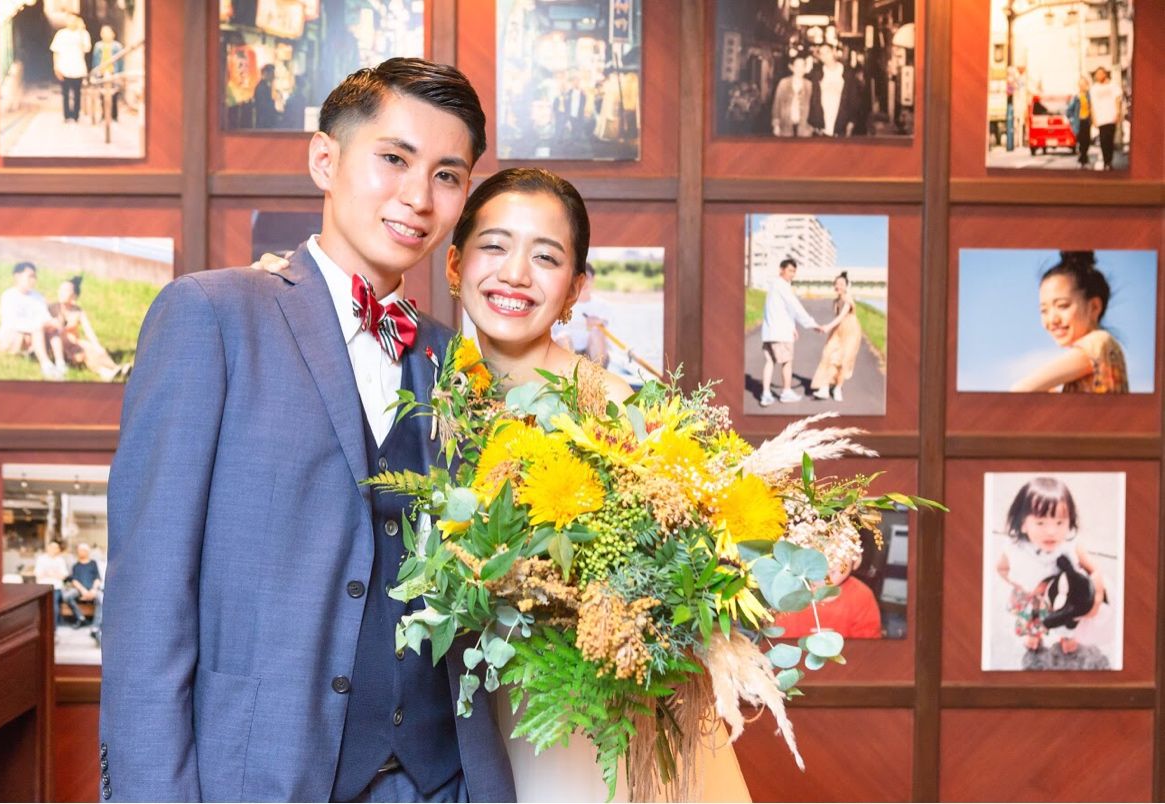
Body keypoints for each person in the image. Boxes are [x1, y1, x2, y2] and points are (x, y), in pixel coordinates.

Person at [257, 167, 750, 802]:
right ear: (455, 264)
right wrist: (289, 292)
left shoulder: (611, 408)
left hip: (574, 714)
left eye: (546, 258)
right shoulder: (423, 375)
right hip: (445, 718)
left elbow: (675, 569)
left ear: (573, 290)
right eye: (494, 246)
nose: (515, 274)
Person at [101, 58, 515, 802]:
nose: (418, 197)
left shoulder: (453, 358)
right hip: (264, 771)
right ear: (325, 159)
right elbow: (149, 595)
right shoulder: (213, 316)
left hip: (441, 778)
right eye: (394, 159)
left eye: (447, 176)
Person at [994, 477, 1106, 657]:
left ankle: (1066, 637)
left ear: (1070, 521)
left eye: (1060, 523)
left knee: (1067, 623)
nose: (1051, 531)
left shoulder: (1070, 547)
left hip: (1063, 600)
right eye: (1040, 523)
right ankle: (1034, 635)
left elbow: (1095, 570)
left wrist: (1096, 600)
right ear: (1023, 524)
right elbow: (1001, 568)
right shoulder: (1015, 549)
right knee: (1032, 621)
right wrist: (1020, 586)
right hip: (1031, 598)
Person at [1011, 251, 1128, 393]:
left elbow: (1021, 389)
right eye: (1044, 310)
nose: (1052, 320)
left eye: (1062, 306)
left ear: (1094, 307)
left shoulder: (1099, 341)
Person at [759, 258, 825, 406]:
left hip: (769, 332)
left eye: (794, 271)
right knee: (787, 362)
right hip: (780, 334)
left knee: (769, 362)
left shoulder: (773, 286)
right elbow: (795, 307)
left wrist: (792, 327)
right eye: (790, 270)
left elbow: (780, 310)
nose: (792, 274)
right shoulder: (782, 286)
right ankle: (786, 392)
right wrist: (812, 324)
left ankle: (766, 394)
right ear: (781, 269)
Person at [771, 555, 882, 639]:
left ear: (856, 559)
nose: (828, 562)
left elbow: (868, 650)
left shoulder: (861, 597)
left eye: (839, 553)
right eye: (816, 552)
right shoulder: (783, 594)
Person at [48, 276, 131, 381]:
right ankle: (104, 371)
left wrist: (97, 345)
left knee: (91, 347)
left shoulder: (77, 311)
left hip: (75, 344)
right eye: (60, 289)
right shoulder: (52, 308)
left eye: (66, 290)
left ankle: (115, 368)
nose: (61, 292)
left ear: (74, 295)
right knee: (85, 352)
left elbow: (89, 331)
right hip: (61, 348)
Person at [0, 261, 65, 380]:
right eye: (30, 276)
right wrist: (38, 326)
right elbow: (11, 322)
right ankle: (46, 365)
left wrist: (52, 322)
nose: (33, 280)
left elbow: (44, 316)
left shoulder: (37, 296)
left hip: (36, 334)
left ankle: (60, 363)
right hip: (14, 335)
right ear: (17, 276)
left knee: (52, 329)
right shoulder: (9, 296)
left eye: (35, 277)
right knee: (37, 327)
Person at [810, 271, 863, 403]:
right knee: (828, 355)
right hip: (838, 331)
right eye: (837, 283)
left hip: (851, 333)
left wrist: (827, 327)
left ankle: (838, 388)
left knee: (844, 360)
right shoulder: (836, 301)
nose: (838, 286)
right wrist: (828, 328)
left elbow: (842, 316)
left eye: (841, 284)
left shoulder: (848, 299)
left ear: (846, 286)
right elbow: (838, 319)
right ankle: (824, 387)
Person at [551, 263, 611, 368]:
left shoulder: (603, 305)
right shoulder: (561, 303)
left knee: (597, 333)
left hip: (592, 354)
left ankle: (597, 373)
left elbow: (610, 333)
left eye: (587, 277)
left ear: (593, 279)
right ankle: (568, 374)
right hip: (567, 353)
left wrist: (601, 323)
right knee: (563, 337)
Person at [808, 43, 864, 137]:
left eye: (827, 52)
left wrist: (851, 122)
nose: (825, 56)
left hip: (841, 124)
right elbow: (814, 100)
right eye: (822, 54)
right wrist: (815, 123)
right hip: (822, 126)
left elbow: (854, 100)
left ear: (833, 52)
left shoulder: (847, 73)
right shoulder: (817, 74)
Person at [50, 13, 91, 124]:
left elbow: (86, 48)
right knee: (66, 94)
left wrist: (81, 31)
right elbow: (56, 51)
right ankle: (67, 115)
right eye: (69, 19)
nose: (71, 22)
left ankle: (76, 115)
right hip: (64, 68)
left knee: (77, 93)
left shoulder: (84, 34)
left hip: (78, 68)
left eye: (74, 19)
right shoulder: (61, 34)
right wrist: (56, 67)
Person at [60, 542, 103, 630]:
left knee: (102, 599)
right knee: (67, 597)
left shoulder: (93, 563)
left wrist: (93, 590)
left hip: (93, 589)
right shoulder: (76, 566)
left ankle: (95, 627)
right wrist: (83, 591)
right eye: (79, 550)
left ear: (87, 552)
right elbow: (74, 581)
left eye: (82, 550)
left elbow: (97, 578)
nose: (79, 552)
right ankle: (80, 617)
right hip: (79, 590)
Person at [771, 52, 813, 137]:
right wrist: (776, 125)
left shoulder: (809, 85)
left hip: (804, 127)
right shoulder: (783, 83)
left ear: (805, 68)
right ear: (792, 67)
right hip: (785, 126)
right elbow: (777, 104)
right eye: (797, 66)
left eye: (802, 66)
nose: (799, 69)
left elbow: (813, 106)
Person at [1089, 66, 1121, 171]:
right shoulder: (1094, 88)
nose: (1098, 76)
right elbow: (1092, 104)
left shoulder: (1113, 85)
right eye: (1096, 74)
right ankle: (1106, 161)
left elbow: (1118, 99)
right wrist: (1093, 118)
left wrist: (1118, 113)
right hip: (1101, 118)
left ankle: (1109, 161)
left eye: (1100, 73)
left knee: (1110, 140)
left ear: (1105, 74)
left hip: (1111, 116)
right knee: (1103, 140)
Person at [90, 25, 125, 122]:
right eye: (104, 32)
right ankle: (104, 114)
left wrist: (121, 74)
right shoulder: (98, 46)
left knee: (114, 94)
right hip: (101, 72)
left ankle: (114, 115)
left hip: (113, 71)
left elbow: (121, 61)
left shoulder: (117, 46)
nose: (106, 35)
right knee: (102, 95)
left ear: (113, 34)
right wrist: (95, 72)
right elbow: (95, 60)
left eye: (108, 32)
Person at [34, 539, 69, 629]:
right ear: (48, 548)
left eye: (56, 548)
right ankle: (41, 626)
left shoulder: (60, 560)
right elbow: (38, 574)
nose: (54, 549)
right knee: (41, 607)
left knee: (54, 606)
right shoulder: (41, 559)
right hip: (42, 586)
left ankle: (52, 628)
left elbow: (64, 575)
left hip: (56, 587)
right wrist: (55, 574)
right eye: (52, 547)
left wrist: (49, 573)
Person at [1066, 76, 1092, 169]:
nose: (1082, 86)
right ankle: (1083, 159)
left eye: (1083, 84)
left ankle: (1083, 158)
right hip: (1079, 122)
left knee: (1087, 141)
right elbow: (1068, 111)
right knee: (1081, 141)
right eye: (1080, 84)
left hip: (1087, 121)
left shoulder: (1090, 95)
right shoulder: (1076, 97)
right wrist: (1072, 120)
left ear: (1087, 85)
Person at [253, 63, 281, 128]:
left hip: (265, 122)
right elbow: (264, 107)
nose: (273, 76)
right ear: (265, 73)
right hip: (264, 124)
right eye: (272, 73)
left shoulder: (265, 86)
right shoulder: (261, 88)